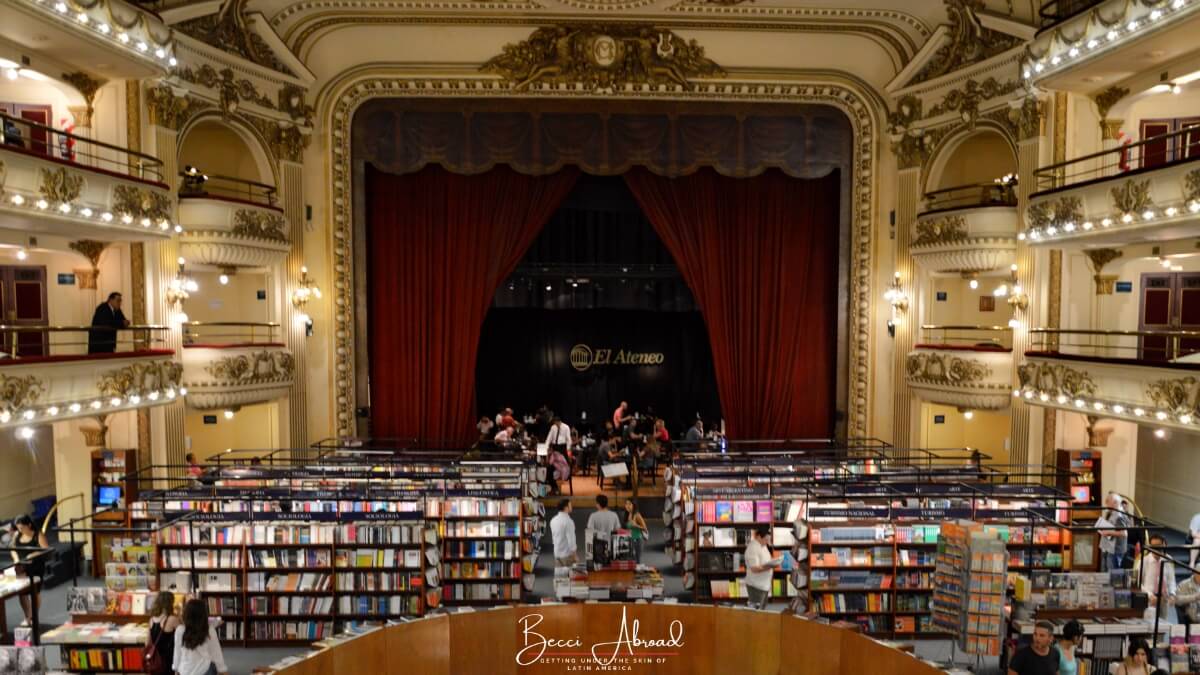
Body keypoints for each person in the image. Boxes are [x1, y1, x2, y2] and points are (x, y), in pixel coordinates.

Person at [9, 515, 48, 625]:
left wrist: (34, 553)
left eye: (22, 528)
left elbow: (45, 550)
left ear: (29, 525)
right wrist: (16, 558)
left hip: (36, 566)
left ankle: (33, 616)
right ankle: (27, 616)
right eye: (18, 528)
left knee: (34, 591)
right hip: (21, 566)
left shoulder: (38, 535)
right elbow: (12, 549)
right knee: (22, 593)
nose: (20, 530)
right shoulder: (17, 535)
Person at [173, 599, 228, 675]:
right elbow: (216, 652)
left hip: (185, 670)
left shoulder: (180, 630)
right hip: (205, 670)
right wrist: (222, 670)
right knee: (211, 663)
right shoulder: (209, 630)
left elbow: (177, 653)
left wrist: (176, 669)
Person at [1140, 533, 1177, 623]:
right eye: (1153, 546)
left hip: (1164, 599)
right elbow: (1138, 583)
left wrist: (1172, 594)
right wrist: (1149, 595)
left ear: (1164, 544)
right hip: (1150, 599)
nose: (1156, 548)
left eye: (1159, 545)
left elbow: (1172, 579)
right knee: (1150, 627)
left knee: (1163, 628)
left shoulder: (1168, 559)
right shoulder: (1144, 560)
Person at [743, 525, 780, 610]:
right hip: (756, 587)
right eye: (765, 539)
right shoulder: (753, 548)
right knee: (756, 612)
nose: (767, 542)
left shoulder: (762, 545)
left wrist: (773, 562)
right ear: (759, 536)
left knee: (761, 610)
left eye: (768, 539)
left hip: (763, 586)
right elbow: (754, 569)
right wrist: (770, 566)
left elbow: (765, 560)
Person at [146, 591, 179, 675]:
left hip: (155, 659)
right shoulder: (172, 619)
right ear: (170, 603)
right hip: (168, 659)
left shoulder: (152, 619)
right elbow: (184, 632)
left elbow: (147, 643)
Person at [1098, 492, 1130, 571]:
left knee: (1112, 573)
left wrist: (1108, 532)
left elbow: (1124, 533)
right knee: (1105, 571)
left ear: (1115, 502)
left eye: (1108, 502)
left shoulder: (1120, 516)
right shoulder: (1112, 513)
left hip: (1115, 550)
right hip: (1108, 547)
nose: (1106, 504)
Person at [550, 499, 576, 567]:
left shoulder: (553, 520)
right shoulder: (569, 522)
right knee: (568, 575)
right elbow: (571, 541)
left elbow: (554, 537)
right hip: (566, 554)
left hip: (557, 552)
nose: (571, 506)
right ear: (565, 508)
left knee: (559, 576)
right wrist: (574, 555)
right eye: (570, 505)